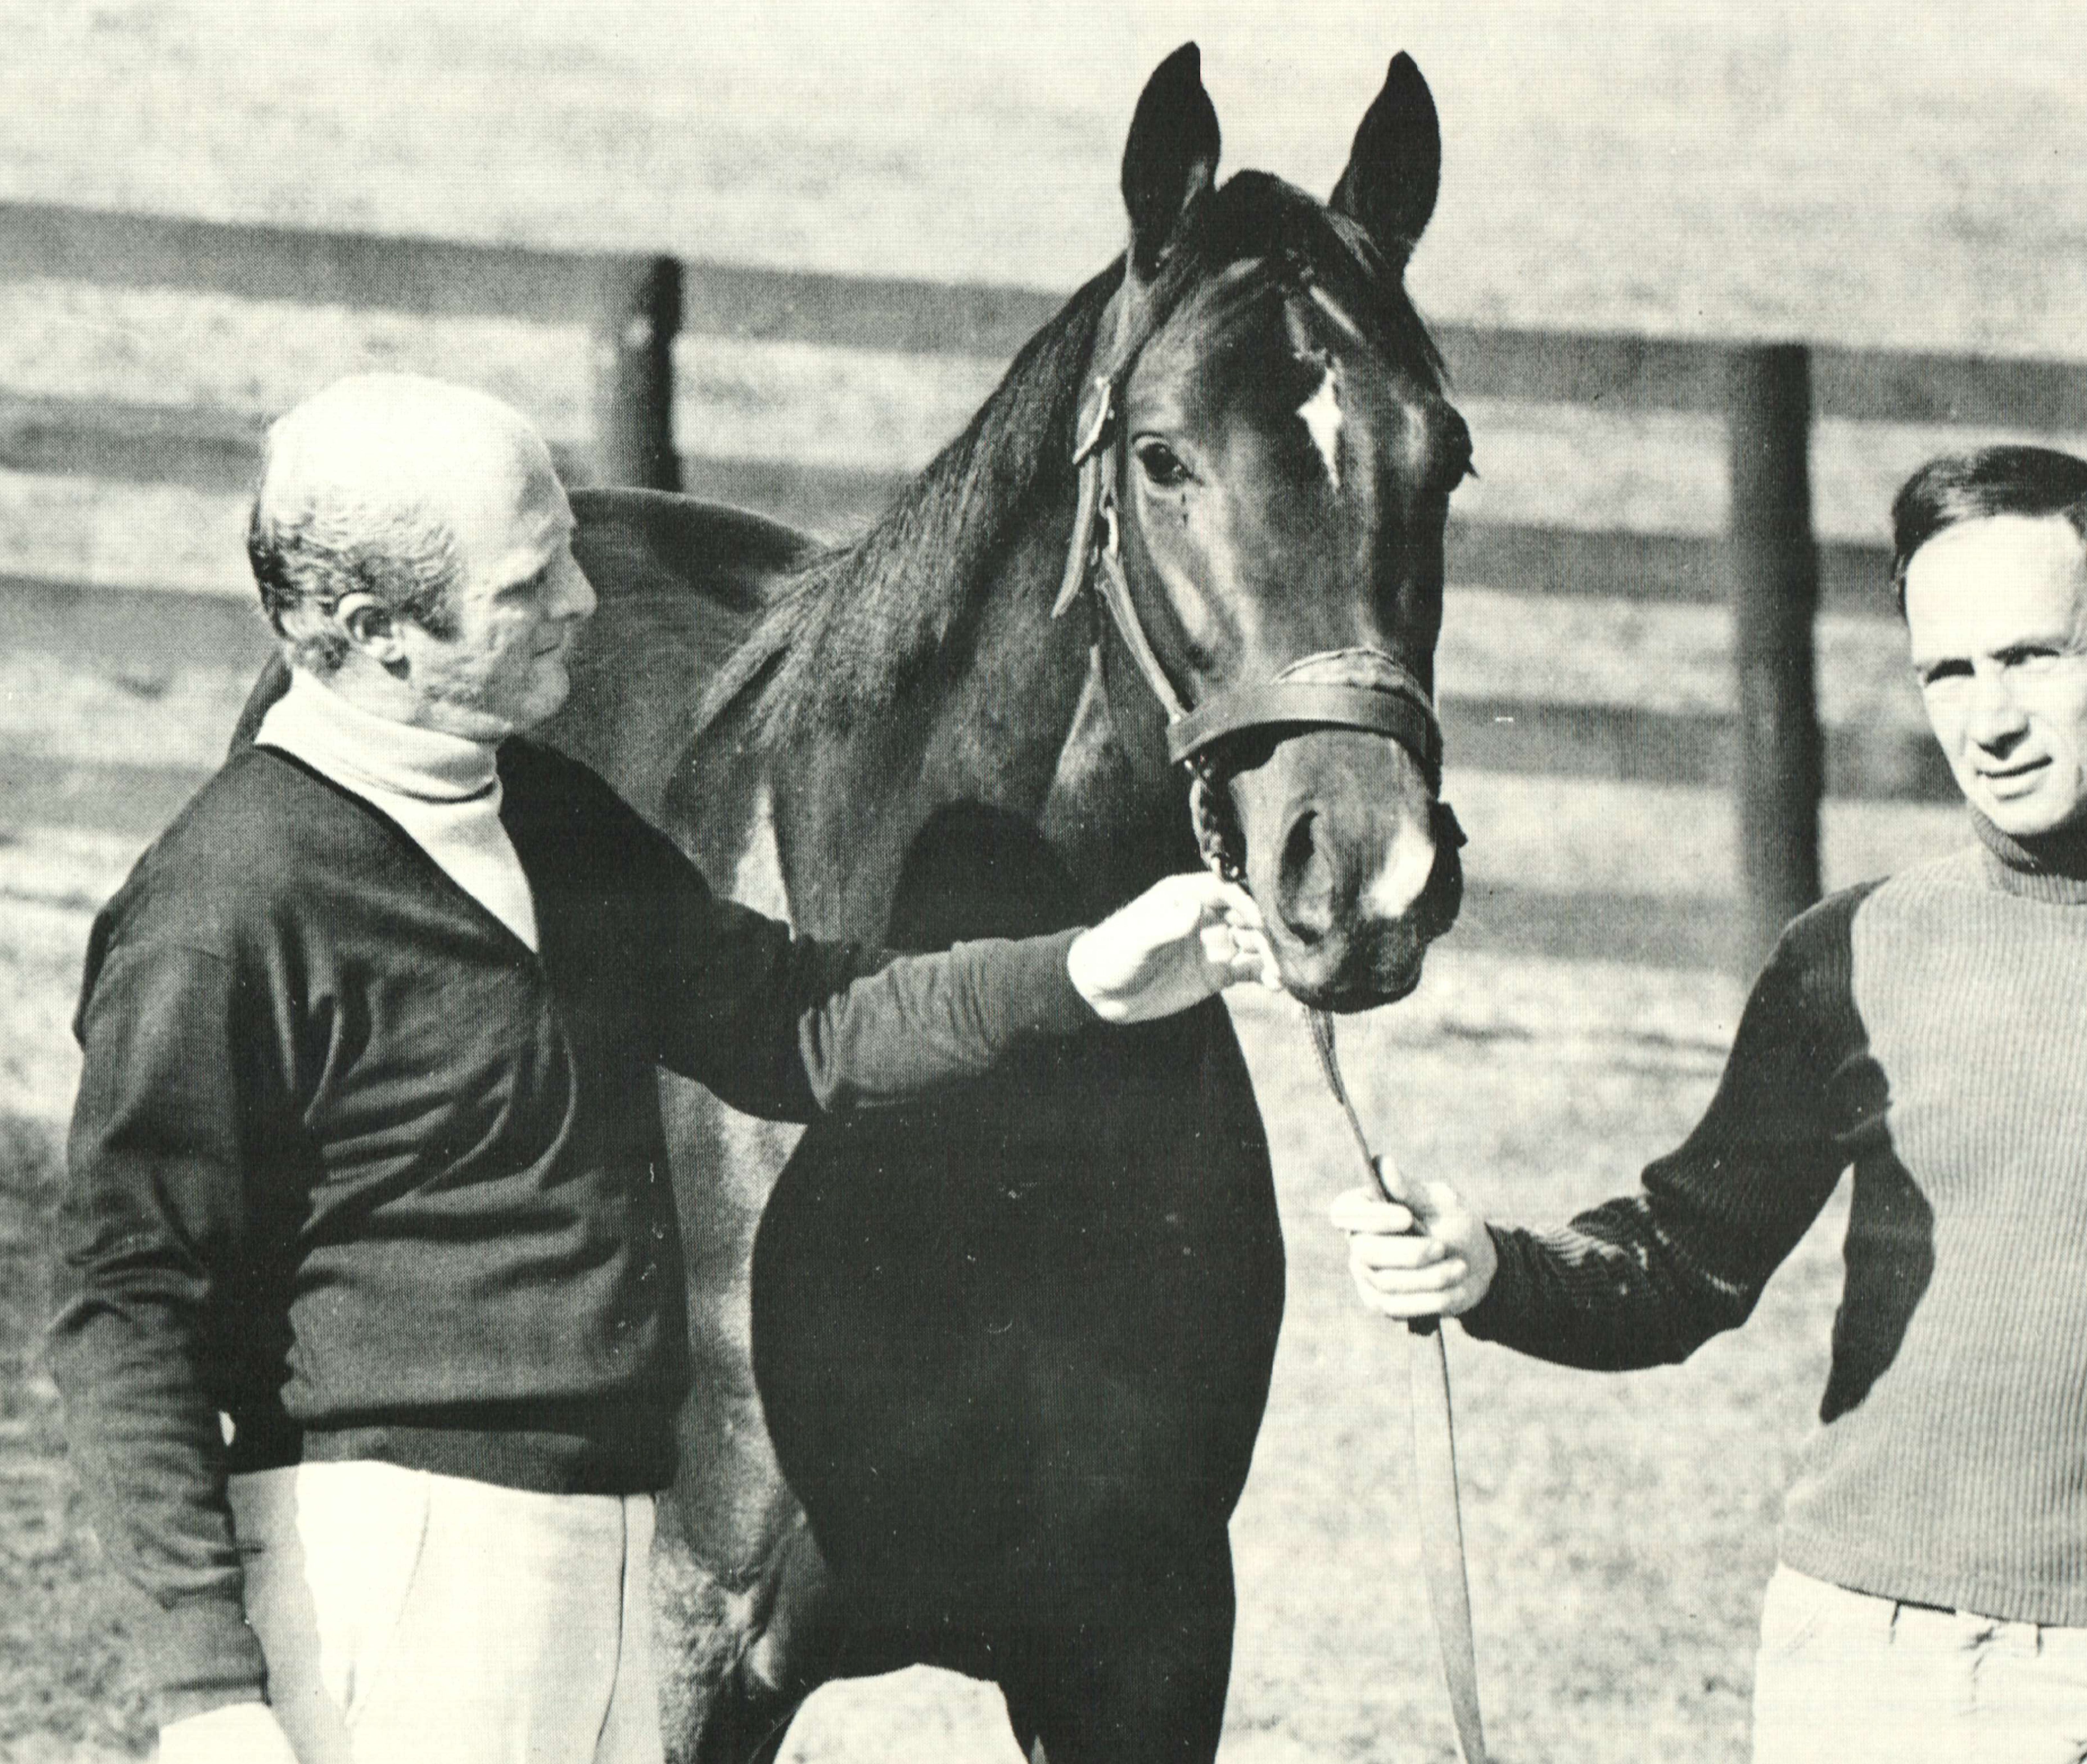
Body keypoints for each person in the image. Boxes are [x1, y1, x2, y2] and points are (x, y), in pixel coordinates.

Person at [49, 373, 1280, 1764]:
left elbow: (795, 1018)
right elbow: (127, 1313)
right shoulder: (223, 912)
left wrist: (1078, 975)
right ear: (373, 635)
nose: (591, 600)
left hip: (607, 1559)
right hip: (390, 1582)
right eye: (533, 582)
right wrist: (206, 1688)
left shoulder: (548, 821)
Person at [1332, 445, 2087, 1764]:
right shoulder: (1849, 958)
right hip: (1849, 1668)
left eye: (2033, 658)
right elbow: (1682, 1266)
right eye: (1948, 673)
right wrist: (1487, 1266)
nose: (1988, 721)